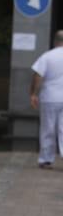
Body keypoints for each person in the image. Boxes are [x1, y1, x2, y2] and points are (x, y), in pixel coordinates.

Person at [30, 29, 63, 168]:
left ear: (55, 41)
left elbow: (38, 76)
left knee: (48, 129)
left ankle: (46, 159)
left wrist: (33, 94)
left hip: (50, 97)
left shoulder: (47, 56)